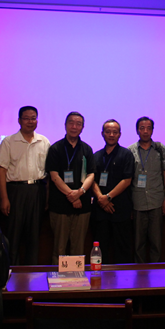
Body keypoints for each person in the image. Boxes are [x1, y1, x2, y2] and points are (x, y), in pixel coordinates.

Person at [0, 106, 50, 265]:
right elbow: (1, 170)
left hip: (37, 190)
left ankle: (31, 272)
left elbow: (49, 173)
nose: (30, 121)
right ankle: (11, 271)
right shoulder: (9, 141)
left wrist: (47, 197)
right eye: (26, 118)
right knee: (14, 234)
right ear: (19, 120)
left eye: (33, 118)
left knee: (34, 235)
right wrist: (4, 198)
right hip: (15, 191)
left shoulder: (44, 141)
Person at [44, 112, 95, 264]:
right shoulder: (55, 148)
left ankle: (76, 278)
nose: (74, 126)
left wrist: (80, 193)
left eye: (78, 124)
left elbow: (91, 175)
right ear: (65, 125)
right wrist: (72, 195)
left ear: (82, 127)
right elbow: (54, 176)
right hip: (60, 205)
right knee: (59, 248)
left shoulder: (87, 149)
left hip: (82, 206)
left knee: (78, 248)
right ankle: (57, 277)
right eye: (71, 123)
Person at [128, 116, 165, 263]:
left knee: (156, 242)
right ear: (137, 130)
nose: (145, 131)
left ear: (153, 130)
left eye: (149, 128)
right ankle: (139, 271)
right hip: (138, 202)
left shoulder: (160, 149)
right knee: (138, 243)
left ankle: (156, 271)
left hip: (157, 201)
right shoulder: (130, 150)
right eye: (142, 128)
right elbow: (128, 179)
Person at [91, 120, 135, 264]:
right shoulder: (96, 156)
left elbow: (127, 180)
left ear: (119, 134)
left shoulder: (126, 154)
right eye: (108, 132)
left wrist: (108, 197)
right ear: (102, 133)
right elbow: (92, 179)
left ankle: (123, 278)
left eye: (115, 132)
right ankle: (99, 276)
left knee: (122, 248)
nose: (111, 135)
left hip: (120, 209)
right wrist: (101, 198)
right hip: (100, 209)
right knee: (100, 248)